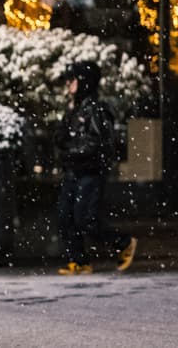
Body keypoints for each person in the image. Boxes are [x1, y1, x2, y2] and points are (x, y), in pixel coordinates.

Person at [54, 60, 137, 275]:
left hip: (90, 172)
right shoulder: (77, 108)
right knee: (65, 216)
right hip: (75, 170)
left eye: (72, 80)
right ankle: (79, 260)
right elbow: (62, 138)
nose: (69, 85)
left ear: (83, 82)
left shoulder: (95, 110)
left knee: (85, 219)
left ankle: (123, 243)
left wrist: (70, 150)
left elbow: (98, 143)